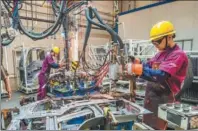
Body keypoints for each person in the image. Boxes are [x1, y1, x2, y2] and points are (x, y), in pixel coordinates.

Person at [126, 21, 188, 130]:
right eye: (153, 43)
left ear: (169, 37)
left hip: (164, 100)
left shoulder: (178, 55)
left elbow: (161, 75)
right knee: (146, 126)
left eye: (158, 42)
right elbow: (148, 64)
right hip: (151, 98)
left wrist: (137, 69)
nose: (156, 45)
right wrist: (137, 61)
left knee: (157, 128)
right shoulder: (160, 54)